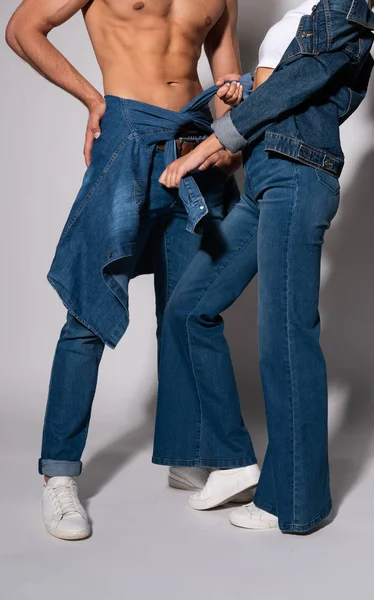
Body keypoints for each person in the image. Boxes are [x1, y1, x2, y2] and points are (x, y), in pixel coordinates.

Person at [5, 0, 247, 541]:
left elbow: (226, 76)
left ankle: (190, 454)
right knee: (89, 311)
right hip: (128, 137)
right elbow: (22, 28)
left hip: (194, 145)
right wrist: (93, 99)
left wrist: (229, 147)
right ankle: (59, 475)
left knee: (186, 311)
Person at [156, 0, 374, 533]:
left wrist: (213, 141)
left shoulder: (347, 7)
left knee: (284, 336)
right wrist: (244, 94)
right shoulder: (314, 10)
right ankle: (234, 463)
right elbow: (287, 88)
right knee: (188, 310)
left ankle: (296, 502)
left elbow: (303, 80)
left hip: (297, 176)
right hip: (263, 180)